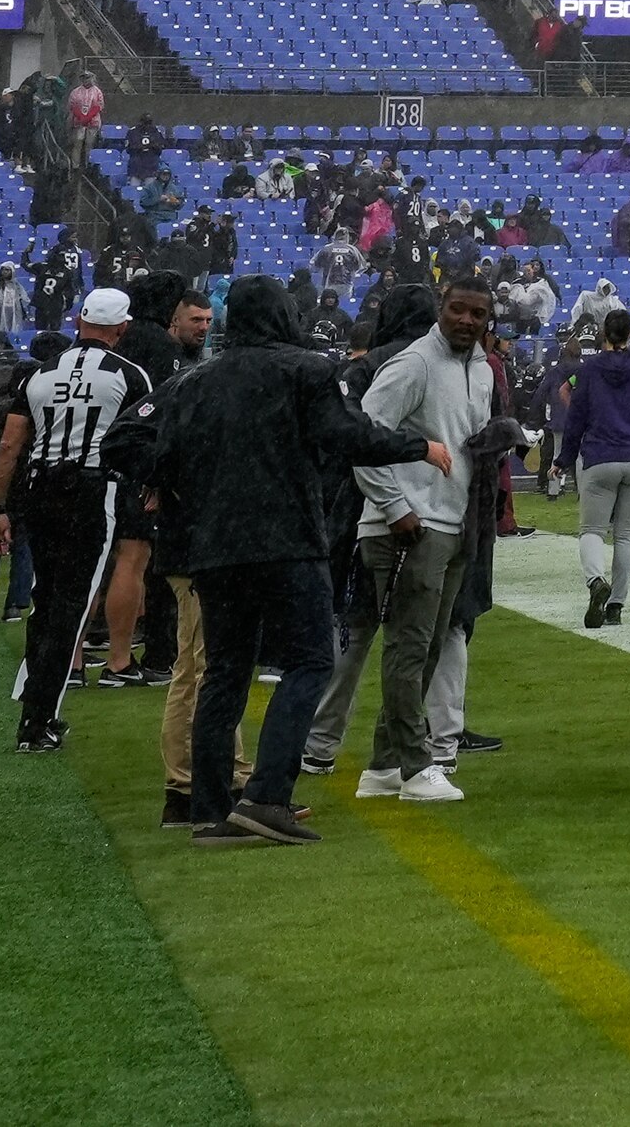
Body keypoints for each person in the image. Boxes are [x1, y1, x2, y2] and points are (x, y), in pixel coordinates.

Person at [156, 279, 444, 844]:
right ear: (284, 315)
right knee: (310, 661)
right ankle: (267, 797)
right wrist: (418, 446)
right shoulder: (305, 369)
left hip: (215, 545)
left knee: (225, 674)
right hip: (287, 538)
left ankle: (210, 810)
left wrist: (189, 494)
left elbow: (154, 451)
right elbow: (346, 434)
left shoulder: (195, 380)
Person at [344, 277, 510, 805]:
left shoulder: (481, 367)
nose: (466, 320)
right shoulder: (413, 363)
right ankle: (417, 767)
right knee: (409, 647)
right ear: (441, 307)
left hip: (453, 521)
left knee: (430, 648)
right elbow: (361, 436)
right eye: (458, 309)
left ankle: (384, 766)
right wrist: (395, 508)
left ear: (488, 319)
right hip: (409, 525)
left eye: (477, 313)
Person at [0, 287, 150, 750]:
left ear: (79, 321)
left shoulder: (39, 373)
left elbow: (9, 445)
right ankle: (38, 718)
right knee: (72, 605)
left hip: (40, 487)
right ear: (122, 327)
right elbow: (144, 438)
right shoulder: (129, 373)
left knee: (46, 598)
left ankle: (34, 704)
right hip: (93, 488)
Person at [558, 304, 630, 629]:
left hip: (601, 455)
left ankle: (596, 582)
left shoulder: (590, 368)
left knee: (592, 530)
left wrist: (564, 458)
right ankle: (616, 605)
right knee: (627, 535)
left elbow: (576, 416)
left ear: (604, 333)